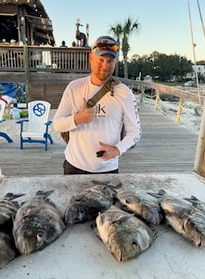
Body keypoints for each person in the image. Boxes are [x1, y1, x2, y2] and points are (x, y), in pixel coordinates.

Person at [53, 35, 142, 175]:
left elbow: (135, 132)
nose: (105, 66)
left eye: (110, 61)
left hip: (108, 170)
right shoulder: (74, 87)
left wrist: (118, 149)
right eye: (101, 60)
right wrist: (77, 119)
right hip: (74, 167)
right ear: (91, 58)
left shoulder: (125, 93)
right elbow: (57, 124)